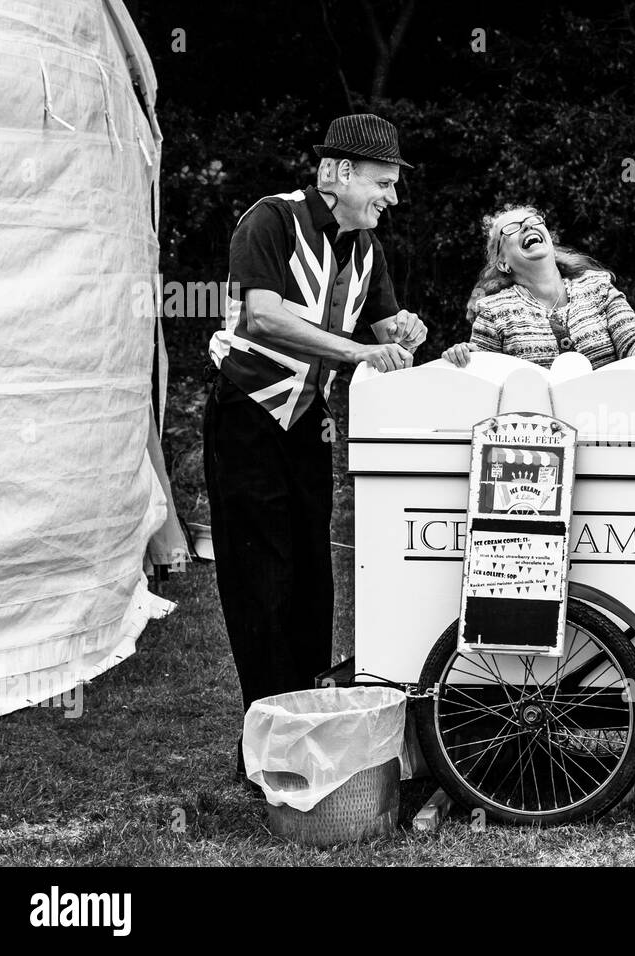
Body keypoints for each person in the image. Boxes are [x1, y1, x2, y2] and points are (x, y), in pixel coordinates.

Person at [204, 113, 428, 788]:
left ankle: (306, 726)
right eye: (382, 183)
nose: (391, 197)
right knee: (260, 576)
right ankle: (268, 742)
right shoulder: (269, 220)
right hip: (246, 413)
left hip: (306, 423)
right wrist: (362, 350)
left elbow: (388, 327)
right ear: (336, 173)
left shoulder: (368, 249)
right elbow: (262, 315)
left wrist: (407, 330)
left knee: (311, 577)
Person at [441, 205, 635, 370]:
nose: (526, 227)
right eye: (512, 228)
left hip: (608, 423)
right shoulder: (492, 311)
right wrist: (464, 357)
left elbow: (633, 340)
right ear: (503, 262)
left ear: (550, 240)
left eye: (533, 222)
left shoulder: (598, 287)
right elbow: (483, 371)